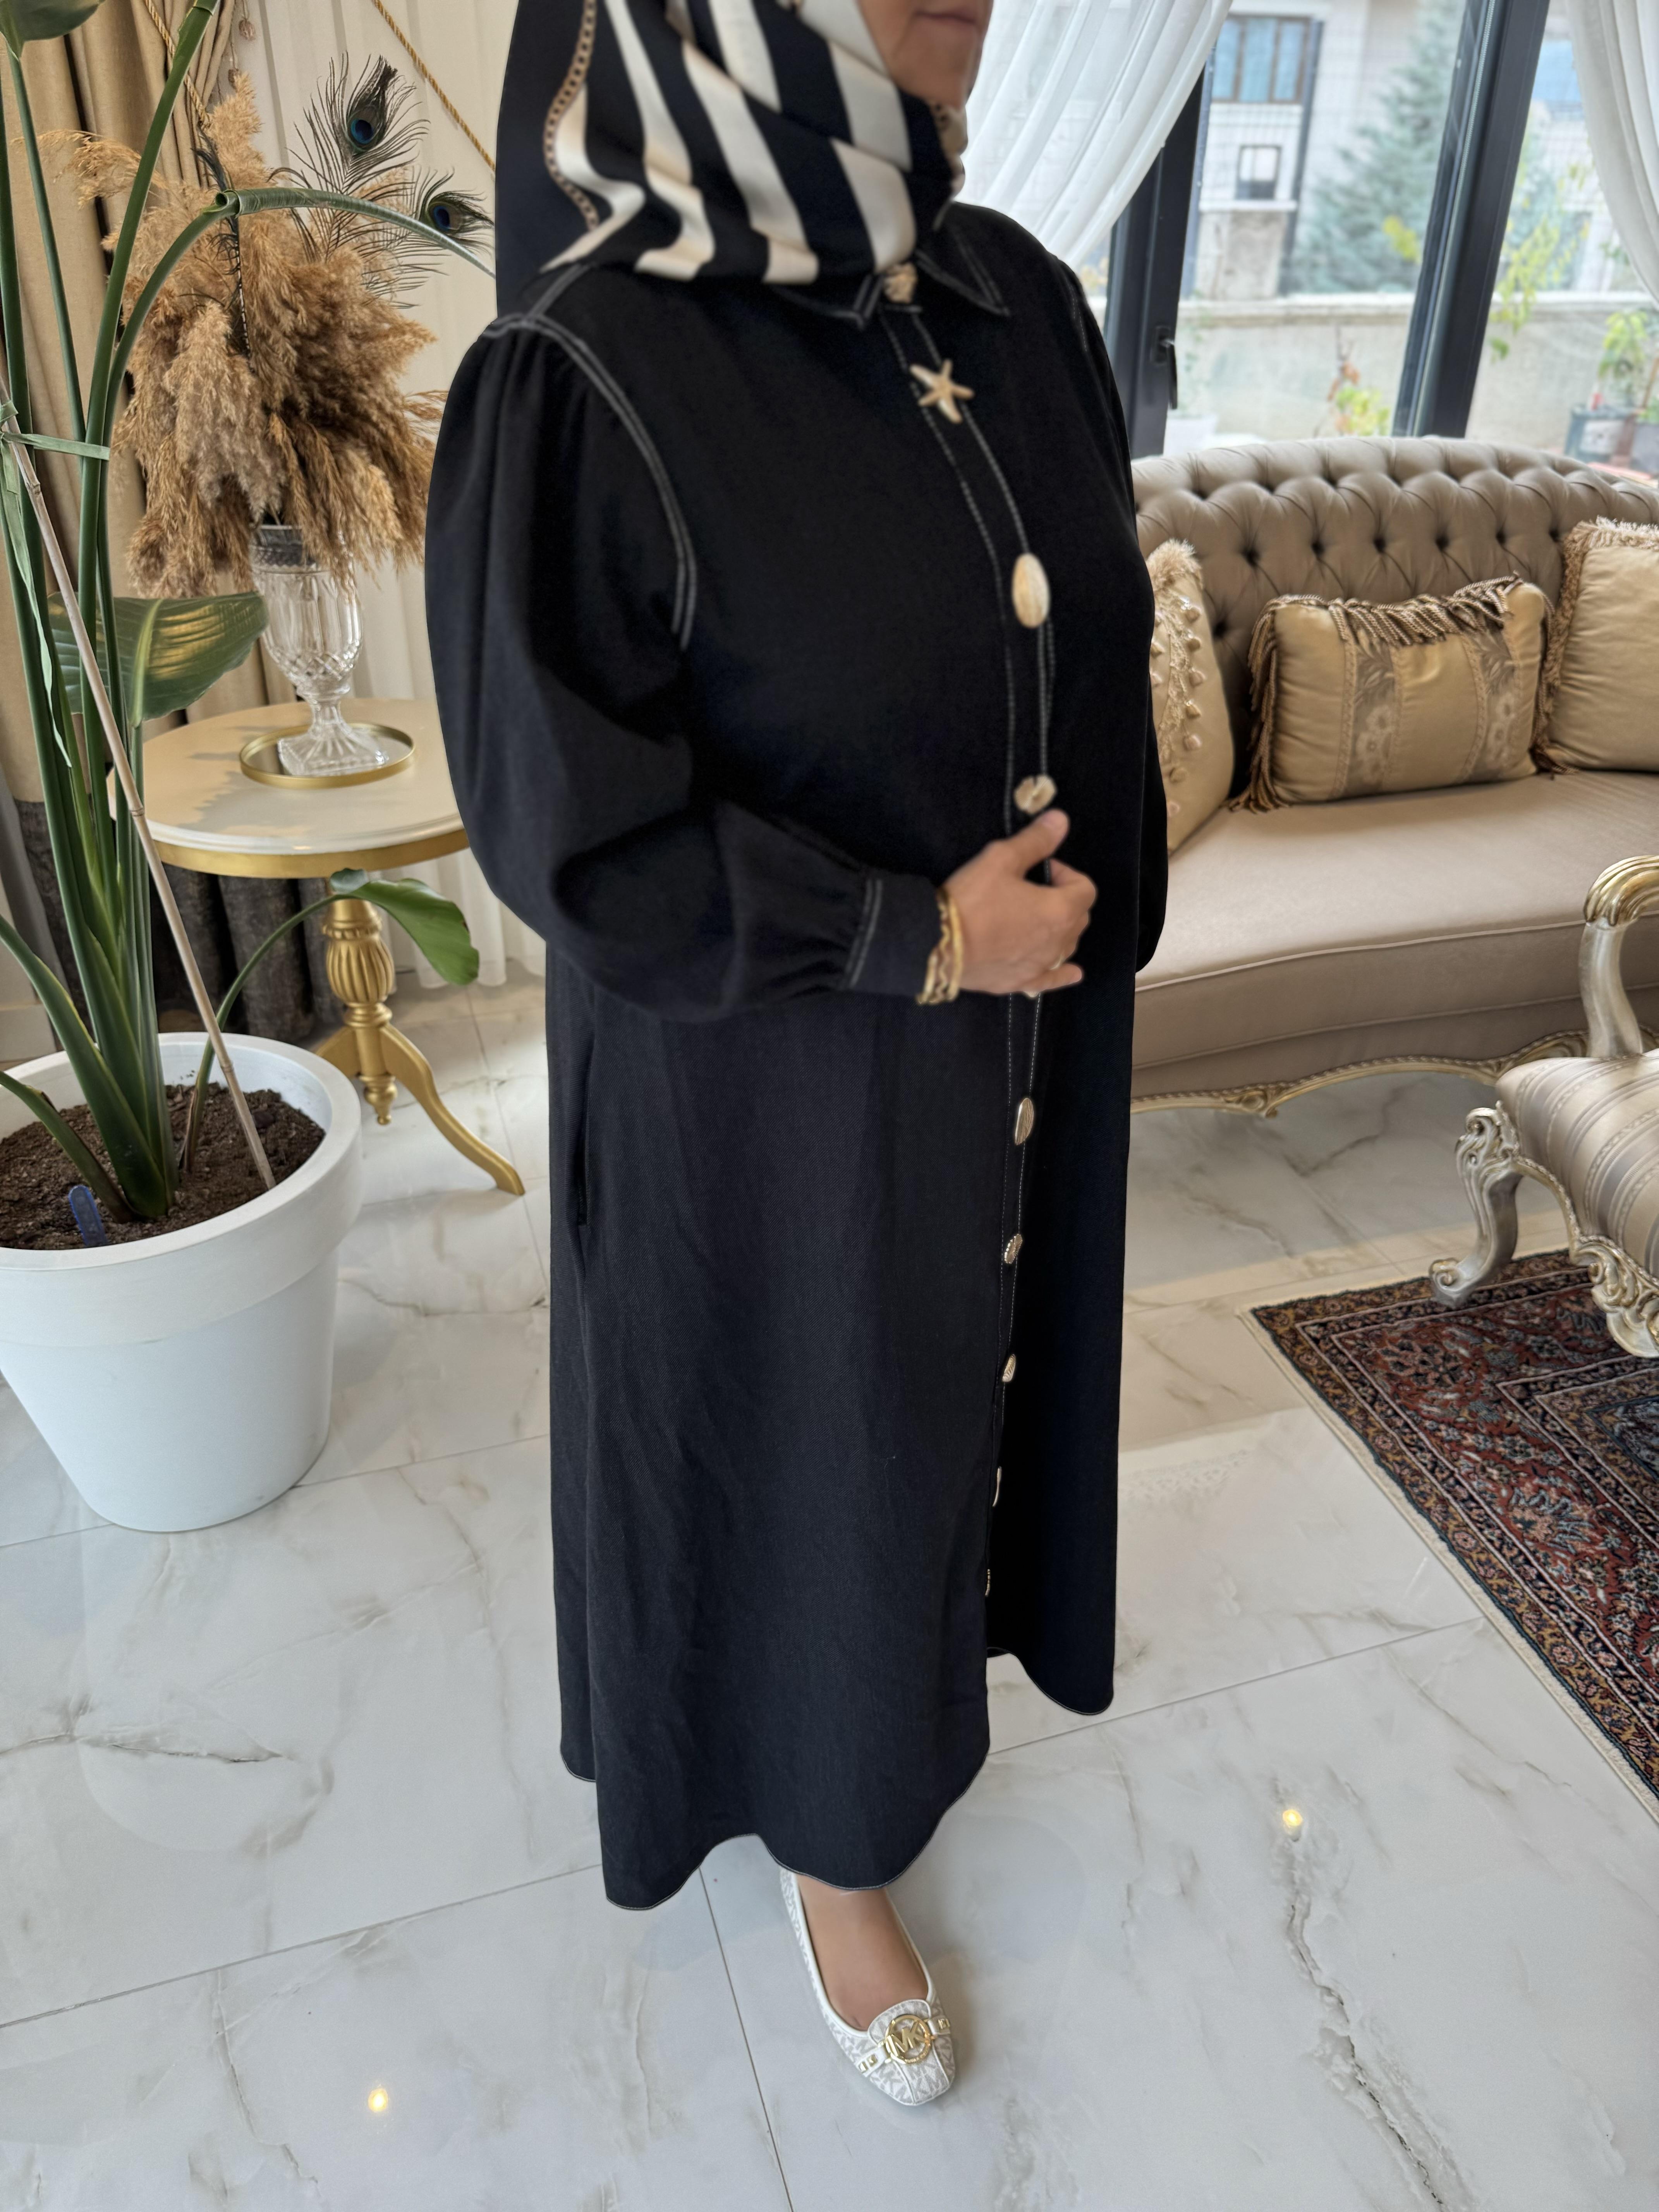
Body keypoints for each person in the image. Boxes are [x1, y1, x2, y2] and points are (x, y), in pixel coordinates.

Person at [426, 0, 1165, 2107]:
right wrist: (920, 935)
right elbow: (571, 832)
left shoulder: (1018, 296)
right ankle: (838, 1847)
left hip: (1010, 1050)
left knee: (952, 1405)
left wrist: (1084, 894)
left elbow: (1081, 624)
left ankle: (910, 1702)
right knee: (818, 1436)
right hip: (768, 1096)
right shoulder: (595, 363)